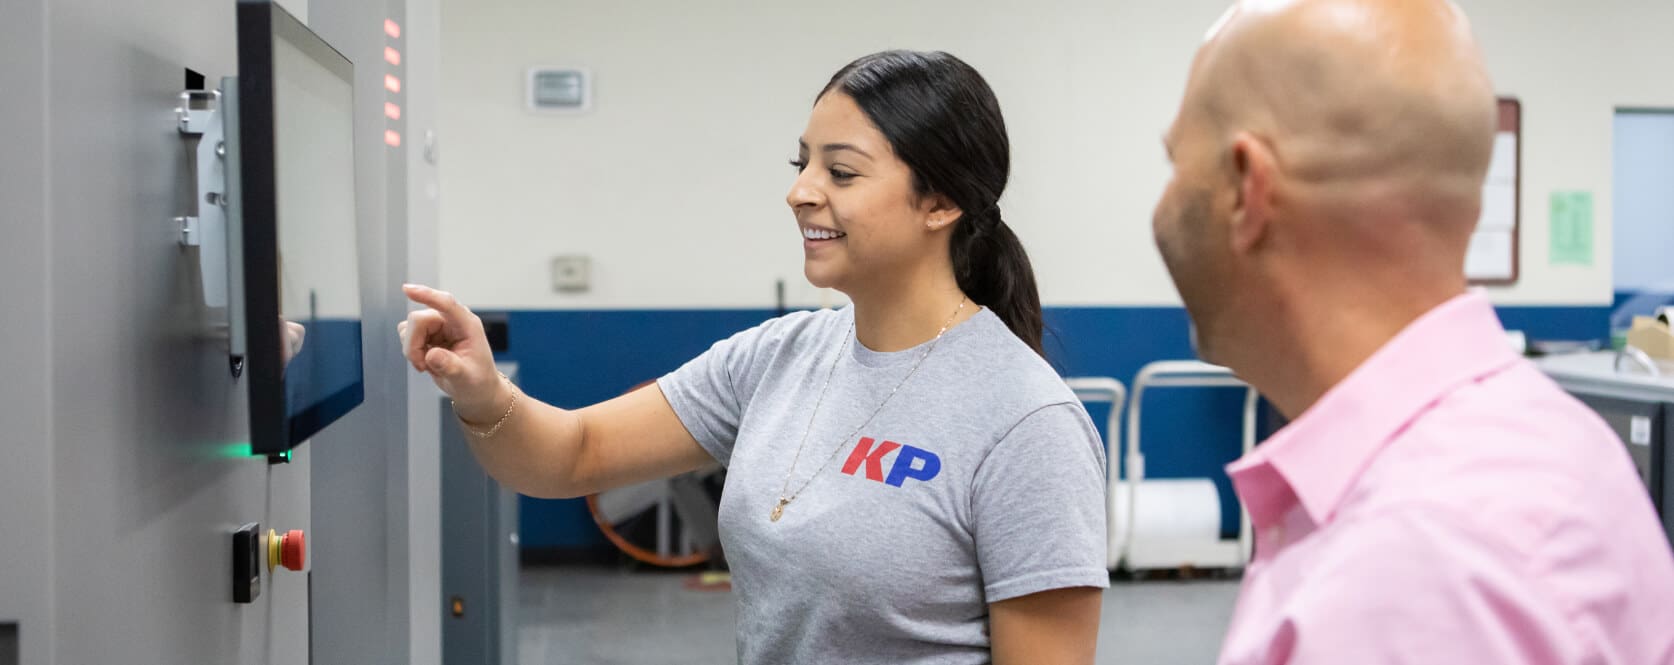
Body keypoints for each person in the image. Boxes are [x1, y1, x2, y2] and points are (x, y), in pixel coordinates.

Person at [401, 50, 1108, 664]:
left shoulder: (1026, 421)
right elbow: (574, 453)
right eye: (803, 164)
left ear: (940, 202)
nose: (800, 191)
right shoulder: (778, 356)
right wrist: (483, 393)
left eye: (842, 171)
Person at [1152, 1, 1674, 662]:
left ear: (1248, 190)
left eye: (1175, 164)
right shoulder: (1555, 444)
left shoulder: (1411, 565)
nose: (1163, 206)